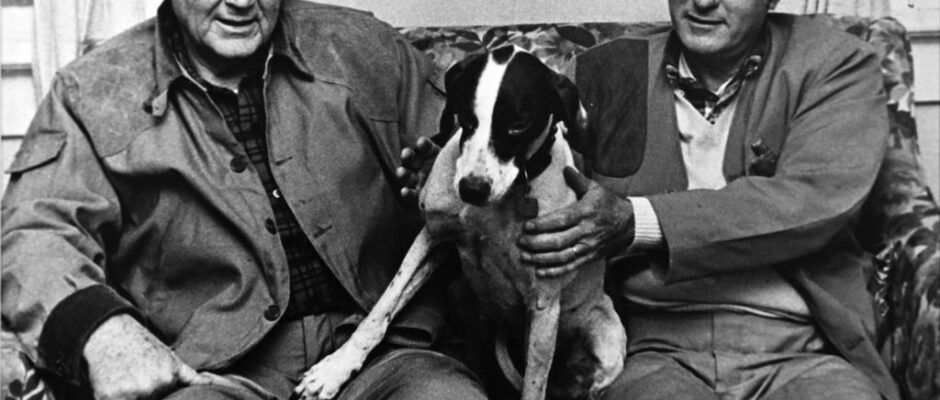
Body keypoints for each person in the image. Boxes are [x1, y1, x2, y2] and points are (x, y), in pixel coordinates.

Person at [401, 0, 899, 399]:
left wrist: (634, 221)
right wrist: (452, 177)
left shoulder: (836, 63)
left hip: (802, 350)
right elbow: (542, 187)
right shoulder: (604, 70)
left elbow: (812, 197)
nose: (703, 1)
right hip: (652, 349)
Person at [1, 0, 487, 399]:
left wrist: (530, 214)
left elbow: (492, 158)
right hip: (214, 378)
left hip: (387, 357)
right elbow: (35, 234)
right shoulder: (90, 93)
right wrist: (101, 329)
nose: (240, 2)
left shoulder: (365, 46)